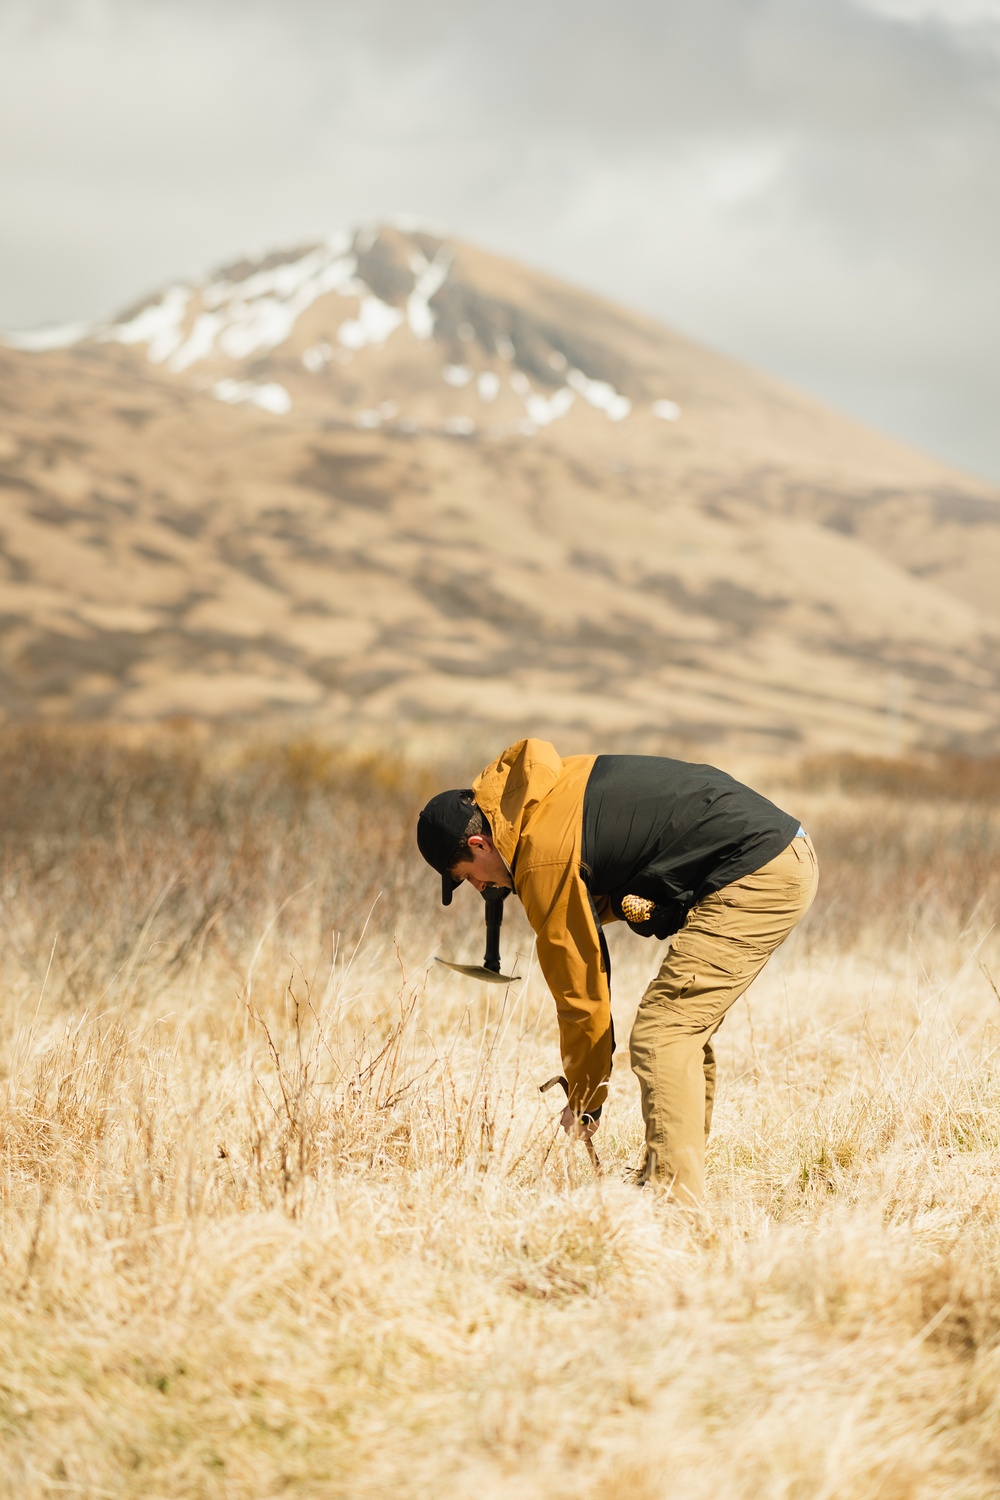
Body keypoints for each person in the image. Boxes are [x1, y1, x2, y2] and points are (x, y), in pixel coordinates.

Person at [416, 739, 818, 1205]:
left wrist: (585, 1101)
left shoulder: (541, 852)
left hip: (760, 870)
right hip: (774, 851)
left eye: (469, 876)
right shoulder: (541, 796)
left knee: (663, 1034)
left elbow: (581, 994)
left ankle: (675, 1207)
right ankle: (664, 1177)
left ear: (479, 843)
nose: (481, 887)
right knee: (679, 1031)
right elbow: (606, 861)